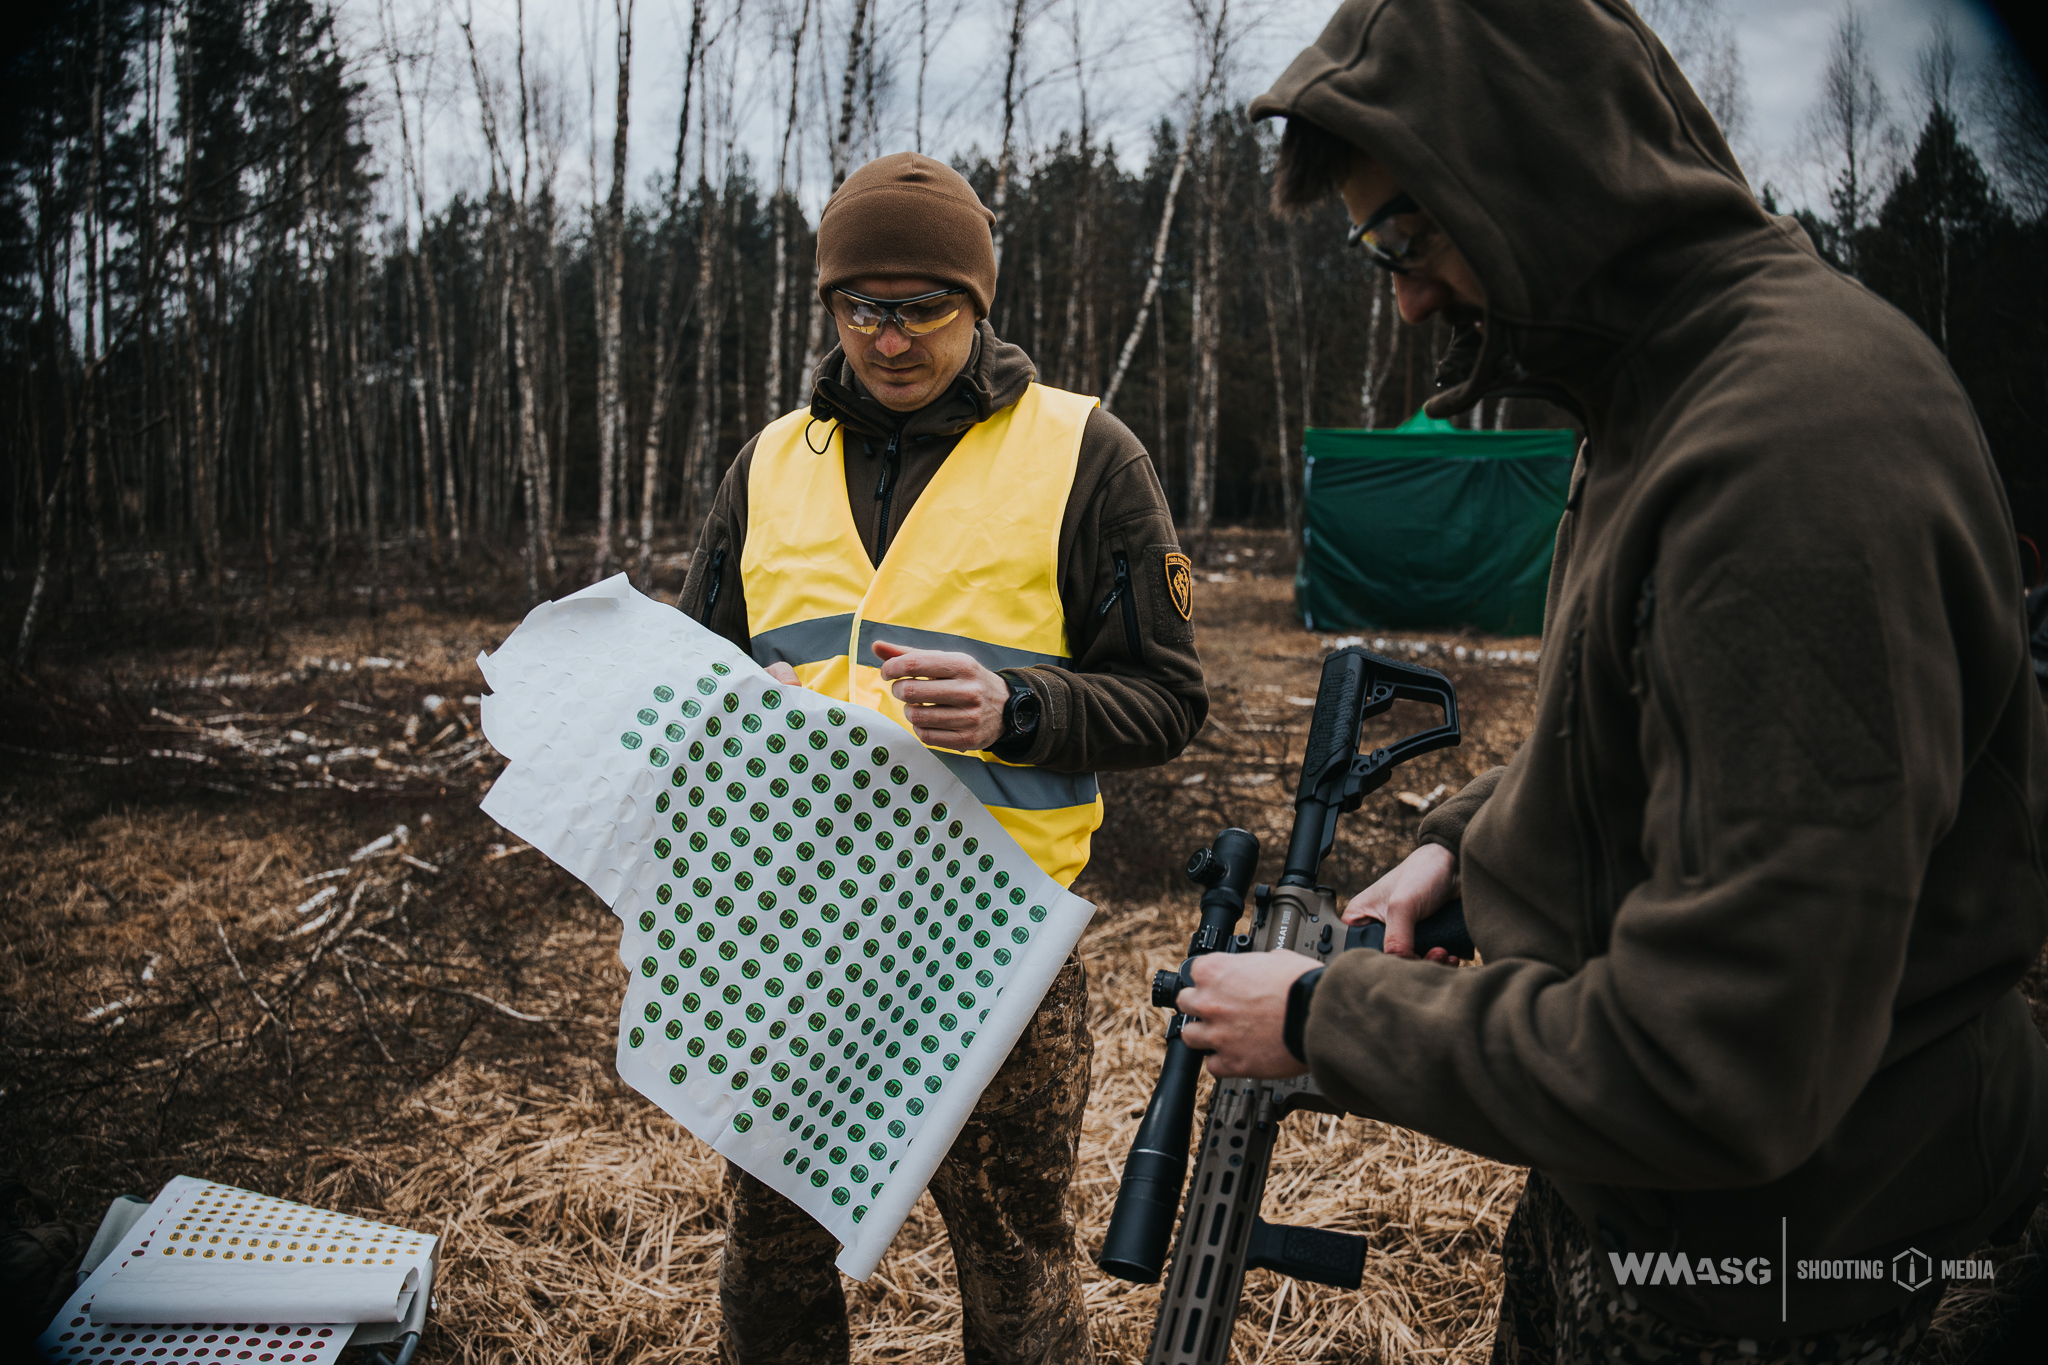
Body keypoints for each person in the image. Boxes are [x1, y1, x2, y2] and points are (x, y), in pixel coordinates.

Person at [1176, 1, 2048, 1361]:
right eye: (1375, 252)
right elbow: (1648, 726)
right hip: (1656, 1221)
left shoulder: (1788, 460)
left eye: (1406, 238)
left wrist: (1322, 1018)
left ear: (1528, 170)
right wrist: (1460, 851)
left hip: (1791, 1273)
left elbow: (1722, 1065)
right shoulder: (1653, 395)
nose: (1402, 295)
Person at [679, 151, 1206, 1365]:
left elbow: (1168, 701)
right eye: (863, 307)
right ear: (828, 306)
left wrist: (1018, 708)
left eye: (925, 308)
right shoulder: (766, 466)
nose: (892, 337)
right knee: (768, 1256)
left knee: (1014, 1261)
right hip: (789, 941)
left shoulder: (1086, 453)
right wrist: (731, 699)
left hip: (995, 950)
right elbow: (689, 674)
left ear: (979, 304)